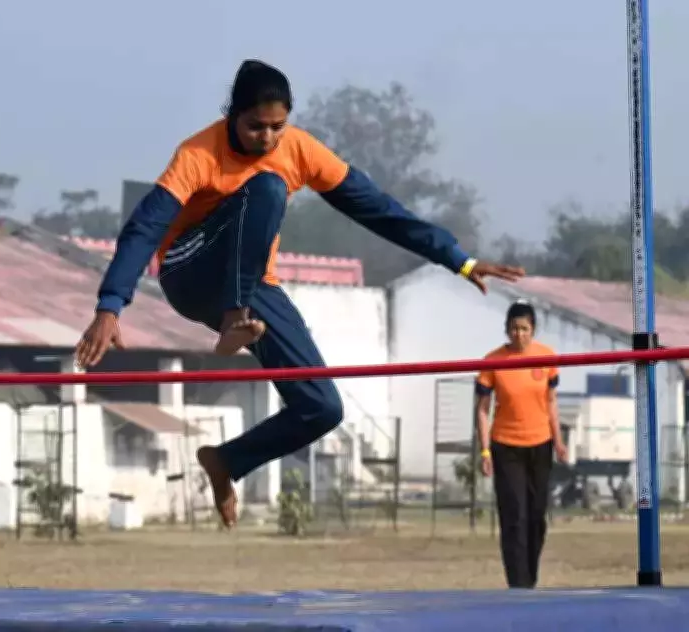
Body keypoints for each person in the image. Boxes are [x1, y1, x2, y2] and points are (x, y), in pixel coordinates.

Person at [75, 59, 525, 528]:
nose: (267, 139)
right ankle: (235, 318)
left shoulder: (300, 148)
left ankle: (227, 461)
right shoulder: (198, 153)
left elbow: (377, 209)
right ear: (232, 115)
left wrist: (458, 258)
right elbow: (146, 226)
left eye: (277, 127)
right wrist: (111, 306)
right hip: (190, 272)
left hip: (252, 287)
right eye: (255, 127)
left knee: (322, 407)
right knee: (267, 187)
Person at [475, 299, 568, 589]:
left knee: (536, 517)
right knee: (515, 515)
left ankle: (530, 579)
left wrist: (560, 441)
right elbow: (482, 409)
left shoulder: (547, 357)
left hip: (540, 444)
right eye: (514, 329)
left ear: (533, 330)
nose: (519, 335)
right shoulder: (492, 361)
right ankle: (518, 584)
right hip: (506, 445)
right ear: (507, 330)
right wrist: (485, 450)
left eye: (525, 329)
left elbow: (551, 403)